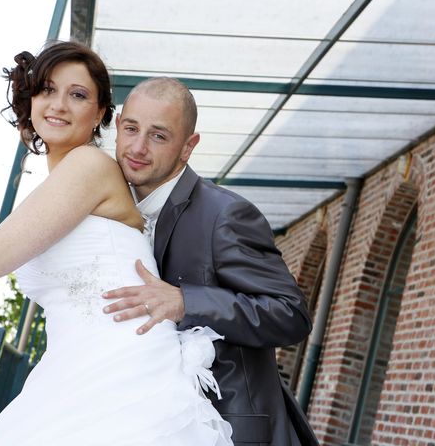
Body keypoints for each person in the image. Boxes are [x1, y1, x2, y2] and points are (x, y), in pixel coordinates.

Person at [0, 41, 234, 445]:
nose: (59, 104)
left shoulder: (89, 166)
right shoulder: (65, 183)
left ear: (99, 115)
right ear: (31, 102)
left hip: (118, 375)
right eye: (47, 90)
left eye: (77, 95)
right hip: (84, 369)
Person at [104, 77, 319, 445]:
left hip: (227, 426)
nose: (137, 147)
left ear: (188, 147)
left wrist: (186, 302)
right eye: (131, 129)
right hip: (140, 417)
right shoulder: (106, 207)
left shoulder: (226, 214)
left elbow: (291, 314)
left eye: (159, 136)